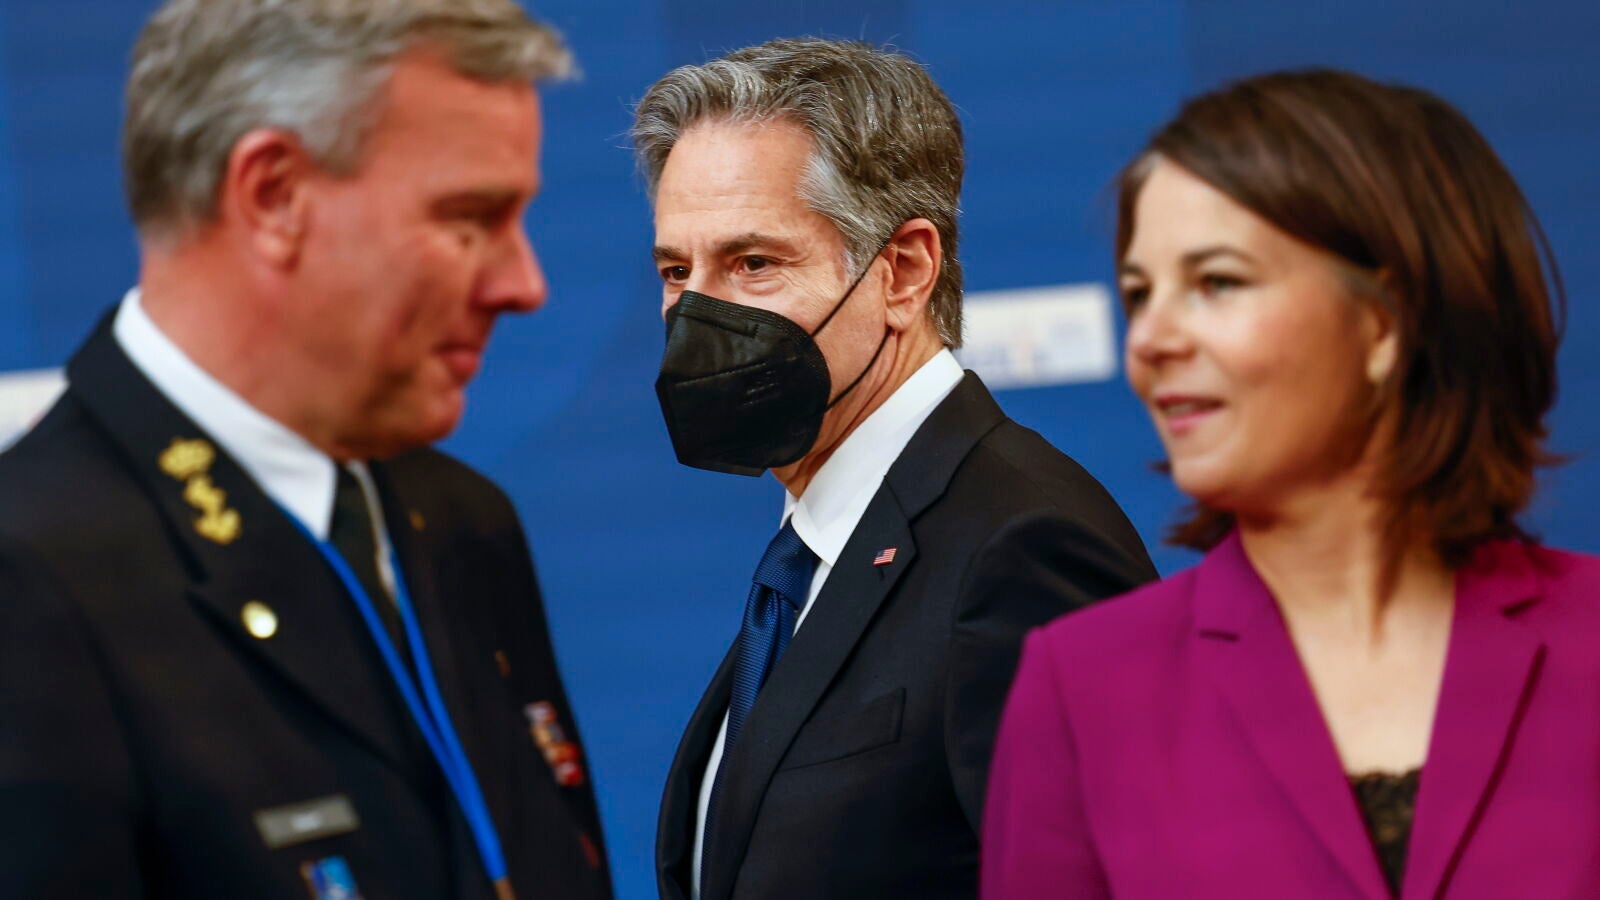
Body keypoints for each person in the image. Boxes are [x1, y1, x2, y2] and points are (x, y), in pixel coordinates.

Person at [0, 2, 612, 898]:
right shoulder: (30, 578)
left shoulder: (463, 523)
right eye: (470, 217)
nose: (524, 284)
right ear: (273, 195)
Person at [982, 68, 1598, 899]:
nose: (1151, 340)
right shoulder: (1082, 687)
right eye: (1139, 294)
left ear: (1384, 322)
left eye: (1217, 283)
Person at [633, 38, 1157, 900]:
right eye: (676, 271)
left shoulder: (1023, 545)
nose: (698, 316)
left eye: (753, 263)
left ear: (904, 272)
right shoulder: (810, 558)